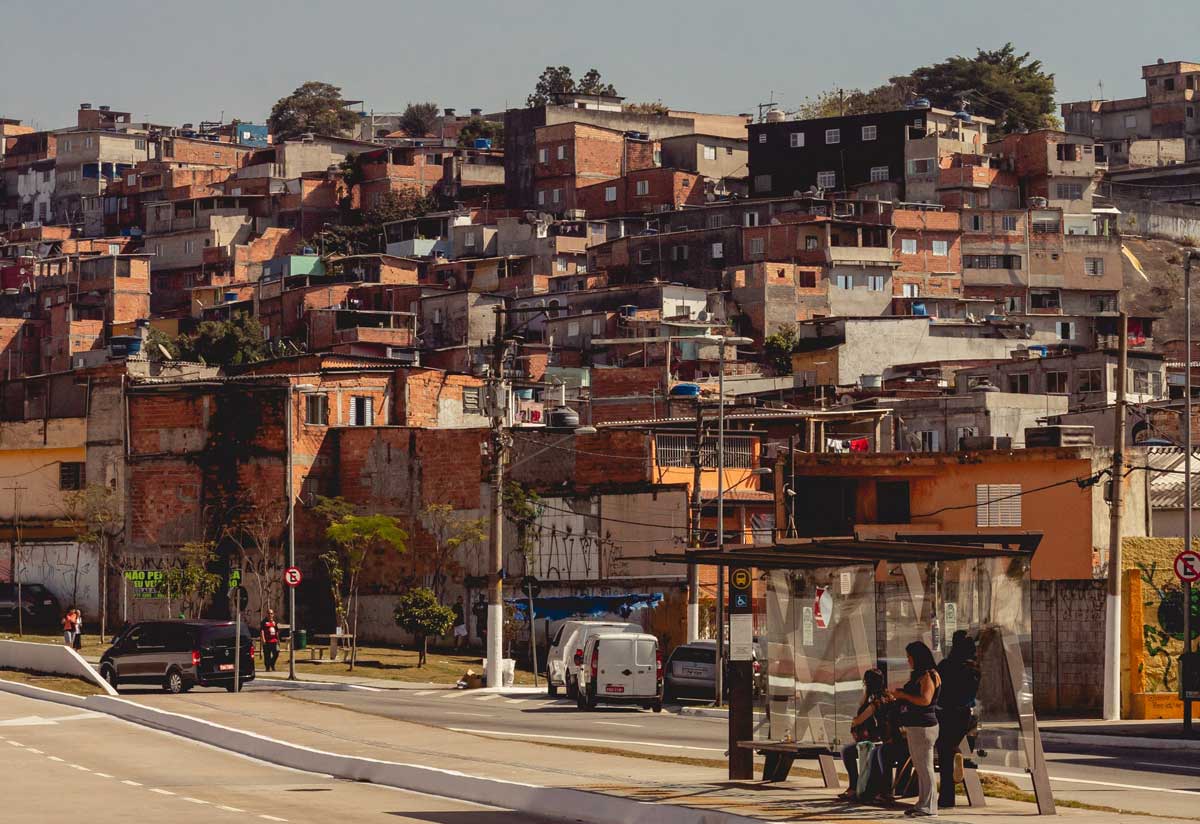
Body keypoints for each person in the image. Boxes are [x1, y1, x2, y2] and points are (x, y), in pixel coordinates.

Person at [889, 641, 942, 818]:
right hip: (917, 725)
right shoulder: (923, 675)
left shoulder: (928, 676)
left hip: (924, 726)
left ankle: (929, 805)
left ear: (918, 658)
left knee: (926, 767)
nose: (908, 661)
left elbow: (925, 700)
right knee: (920, 767)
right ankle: (922, 803)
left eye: (910, 657)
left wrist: (904, 695)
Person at [936, 632, 980, 809]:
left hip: (945, 713)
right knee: (951, 747)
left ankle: (947, 798)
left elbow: (937, 689)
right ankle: (956, 752)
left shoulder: (945, 665)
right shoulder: (974, 669)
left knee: (944, 755)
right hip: (966, 715)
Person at [837, 668, 889, 801]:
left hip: (874, 741)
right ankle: (854, 786)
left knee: (847, 751)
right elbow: (861, 706)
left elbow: (860, 719)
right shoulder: (880, 696)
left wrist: (853, 723)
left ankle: (854, 786)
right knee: (848, 750)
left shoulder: (876, 702)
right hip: (873, 739)